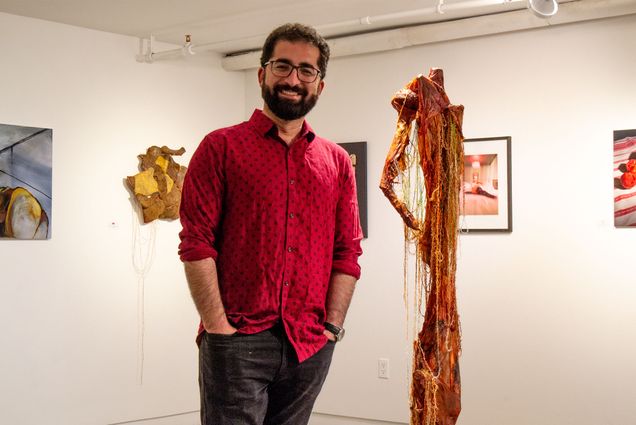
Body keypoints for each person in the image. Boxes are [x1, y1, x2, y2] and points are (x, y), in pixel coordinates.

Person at [178, 23, 363, 425]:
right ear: (262, 74)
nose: (293, 79)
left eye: (306, 71)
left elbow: (348, 252)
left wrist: (332, 327)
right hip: (237, 340)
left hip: (310, 343)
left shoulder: (335, 163)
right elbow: (196, 244)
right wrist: (218, 328)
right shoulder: (221, 148)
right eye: (283, 66)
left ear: (320, 85)